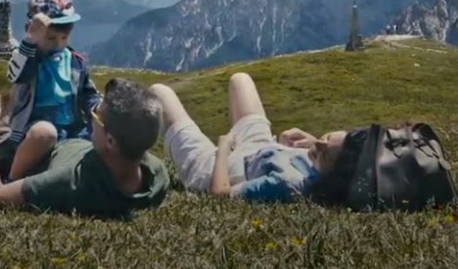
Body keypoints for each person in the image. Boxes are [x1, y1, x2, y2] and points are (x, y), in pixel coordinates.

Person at [0, 65, 169, 217]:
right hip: (57, 138)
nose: (92, 116)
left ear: (110, 141)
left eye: (96, 116)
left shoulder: (70, 181)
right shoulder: (156, 175)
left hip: (22, 155)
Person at [149, 74, 370, 205]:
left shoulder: (287, 183)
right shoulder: (324, 161)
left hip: (214, 168)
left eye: (325, 152)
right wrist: (308, 144)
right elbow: (326, 152)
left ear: (335, 175)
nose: (319, 144)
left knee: (158, 92)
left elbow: (220, 195)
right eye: (325, 138)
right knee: (240, 80)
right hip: (260, 146)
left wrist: (223, 150)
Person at [0, 0, 101, 181]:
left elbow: (88, 92)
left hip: (73, 127)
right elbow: (17, 76)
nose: (58, 44)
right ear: (32, 31)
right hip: (34, 127)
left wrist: (97, 108)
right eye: (50, 38)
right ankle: (12, 180)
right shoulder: (29, 59)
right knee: (44, 133)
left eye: (64, 38)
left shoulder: (75, 61)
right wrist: (30, 41)